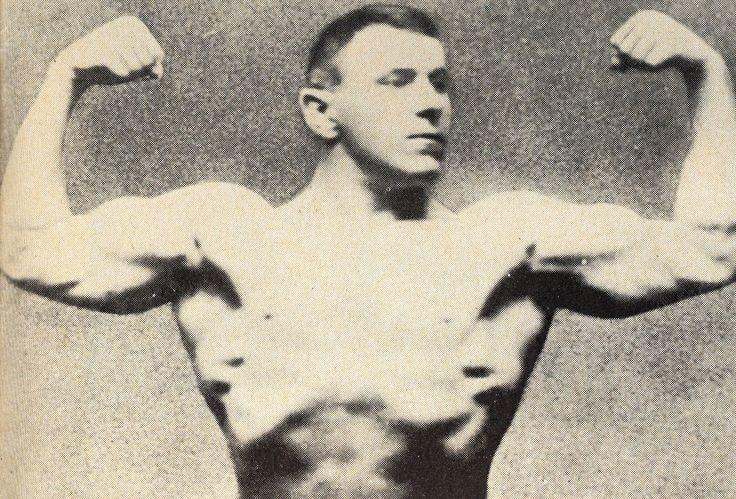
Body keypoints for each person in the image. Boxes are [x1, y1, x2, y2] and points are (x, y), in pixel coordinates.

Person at [2, 3, 734, 498]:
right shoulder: (223, 236)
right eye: (398, 81)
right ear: (321, 112)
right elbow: (28, 250)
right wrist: (65, 78)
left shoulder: (506, 245)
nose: (432, 102)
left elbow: (712, 249)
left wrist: (705, 72)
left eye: (440, 83)